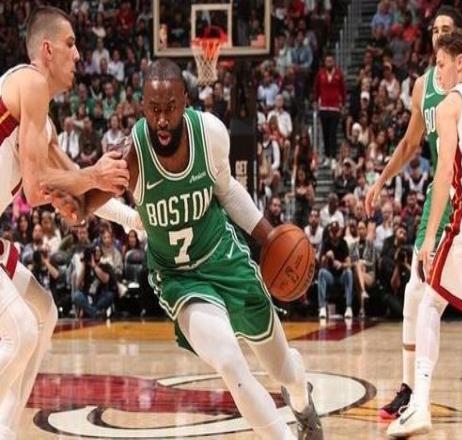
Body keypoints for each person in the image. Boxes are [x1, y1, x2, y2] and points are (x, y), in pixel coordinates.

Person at [81, 59, 323, 440]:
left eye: (170, 108)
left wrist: (269, 236)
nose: (162, 119)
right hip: (179, 278)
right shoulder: (130, 154)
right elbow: (88, 203)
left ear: (185, 101)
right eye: (153, 109)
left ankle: (302, 400)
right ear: (142, 107)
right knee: (229, 362)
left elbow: (227, 192)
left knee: (284, 370)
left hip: (225, 259)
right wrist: (131, 218)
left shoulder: (210, 132)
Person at [0, 6, 137, 438]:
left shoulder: (43, 124)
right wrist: (92, 176)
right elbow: (36, 188)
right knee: (21, 329)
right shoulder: (30, 82)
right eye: (70, 44)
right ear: (47, 49)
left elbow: (75, 189)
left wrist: (136, 221)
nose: (78, 55)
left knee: (44, 313)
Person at [364, 6, 462, 420]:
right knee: (416, 290)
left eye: (446, 29)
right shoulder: (422, 86)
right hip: (445, 191)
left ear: (459, 40)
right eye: (435, 29)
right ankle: (409, 389)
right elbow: (409, 144)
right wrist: (381, 181)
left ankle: (418, 398)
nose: (438, 34)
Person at [388, 30, 462, 437]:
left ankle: (419, 404)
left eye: (441, 64)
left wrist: (430, 237)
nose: (438, 73)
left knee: (430, 303)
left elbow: (444, 172)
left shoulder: (452, 103)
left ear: (460, 63)